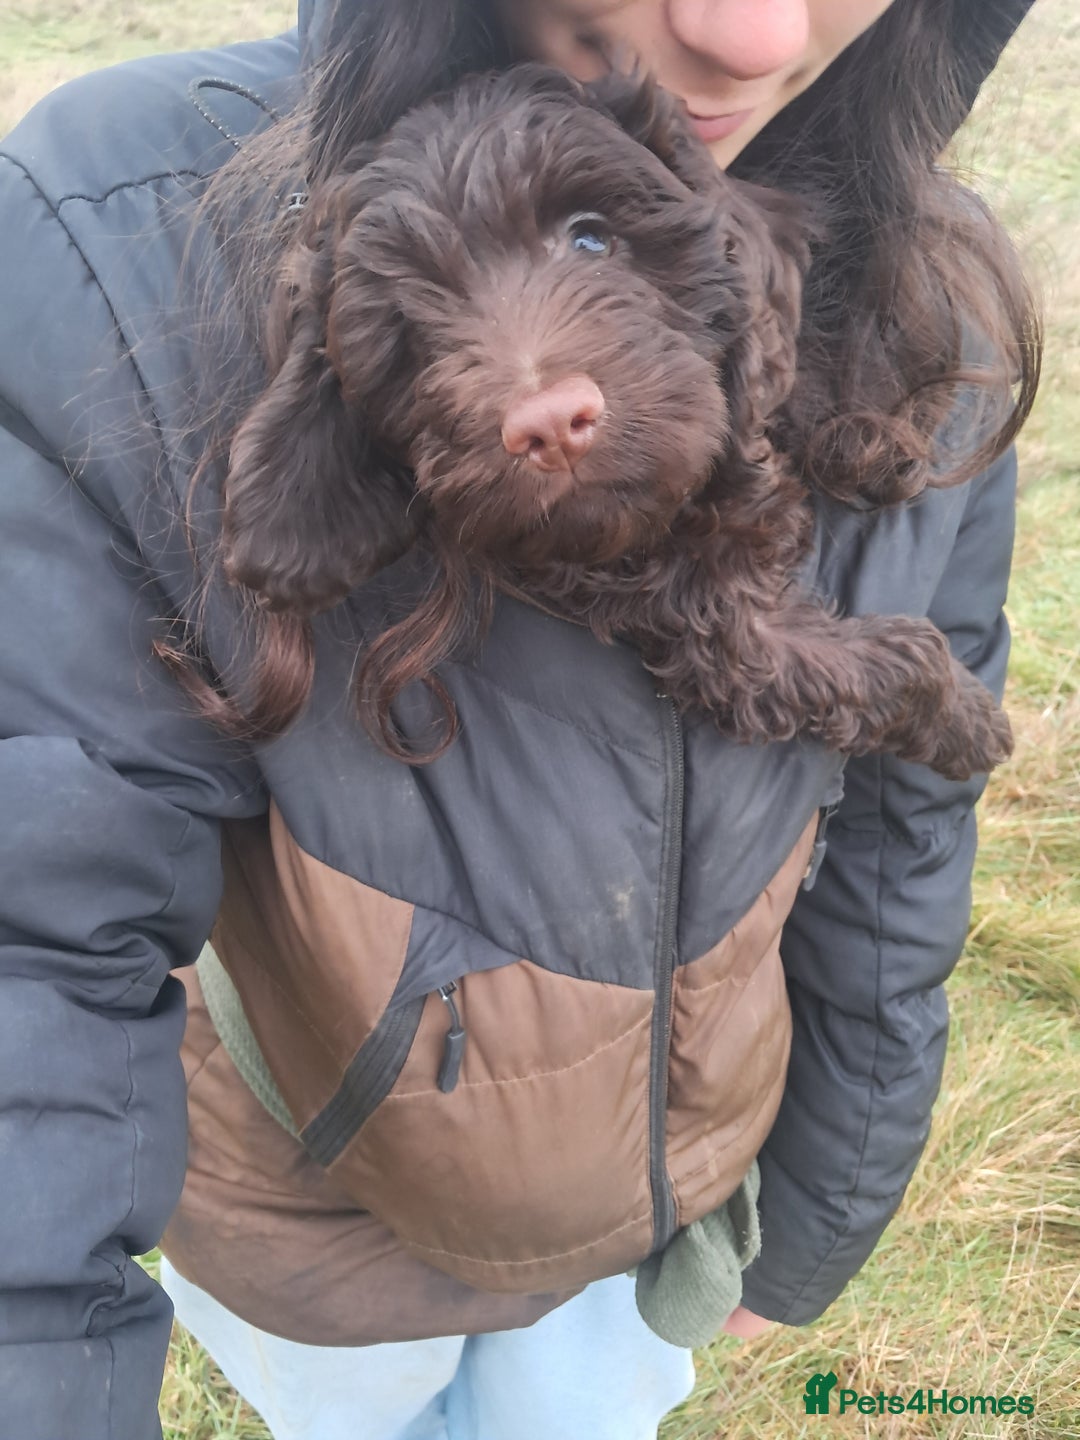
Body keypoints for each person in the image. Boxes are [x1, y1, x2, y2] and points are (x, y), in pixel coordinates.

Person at [0, 2, 1040, 1438]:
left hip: (648, 1221)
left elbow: (908, 827)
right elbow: (29, 936)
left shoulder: (933, 301)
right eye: (418, 324)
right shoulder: (111, 244)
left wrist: (821, 1208)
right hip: (314, 1241)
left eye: (594, 241)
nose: (750, 34)